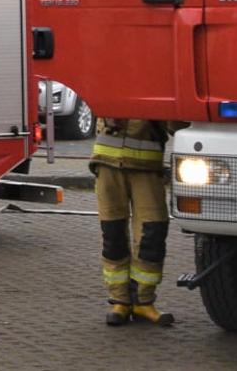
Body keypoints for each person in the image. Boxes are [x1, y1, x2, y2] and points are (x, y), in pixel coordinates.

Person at [93, 116, 176, 326]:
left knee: (153, 233)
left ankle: (143, 302)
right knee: (113, 234)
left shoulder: (159, 85)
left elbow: (177, 125)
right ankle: (119, 301)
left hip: (146, 168)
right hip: (107, 163)